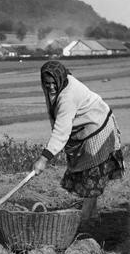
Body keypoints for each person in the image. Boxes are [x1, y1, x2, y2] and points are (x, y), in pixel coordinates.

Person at [33, 61, 125, 221]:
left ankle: (85, 218)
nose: (51, 87)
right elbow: (56, 119)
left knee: (92, 174)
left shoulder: (68, 96)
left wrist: (43, 159)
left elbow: (61, 131)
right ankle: (93, 214)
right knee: (87, 173)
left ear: (60, 79)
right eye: (47, 83)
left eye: (54, 83)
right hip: (85, 128)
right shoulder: (56, 87)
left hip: (97, 127)